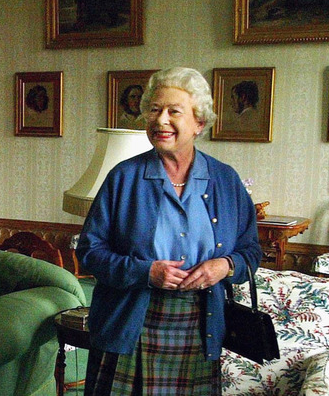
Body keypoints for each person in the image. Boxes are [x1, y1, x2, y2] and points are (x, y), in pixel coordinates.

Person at [77, 67, 263, 395]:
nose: (161, 120)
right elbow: (90, 252)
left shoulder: (225, 180)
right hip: (130, 323)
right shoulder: (123, 177)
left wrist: (225, 266)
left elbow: (251, 253)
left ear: (199, 123)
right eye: (154, 109)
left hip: (199, 324)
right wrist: (144, 271)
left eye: (174, 111)